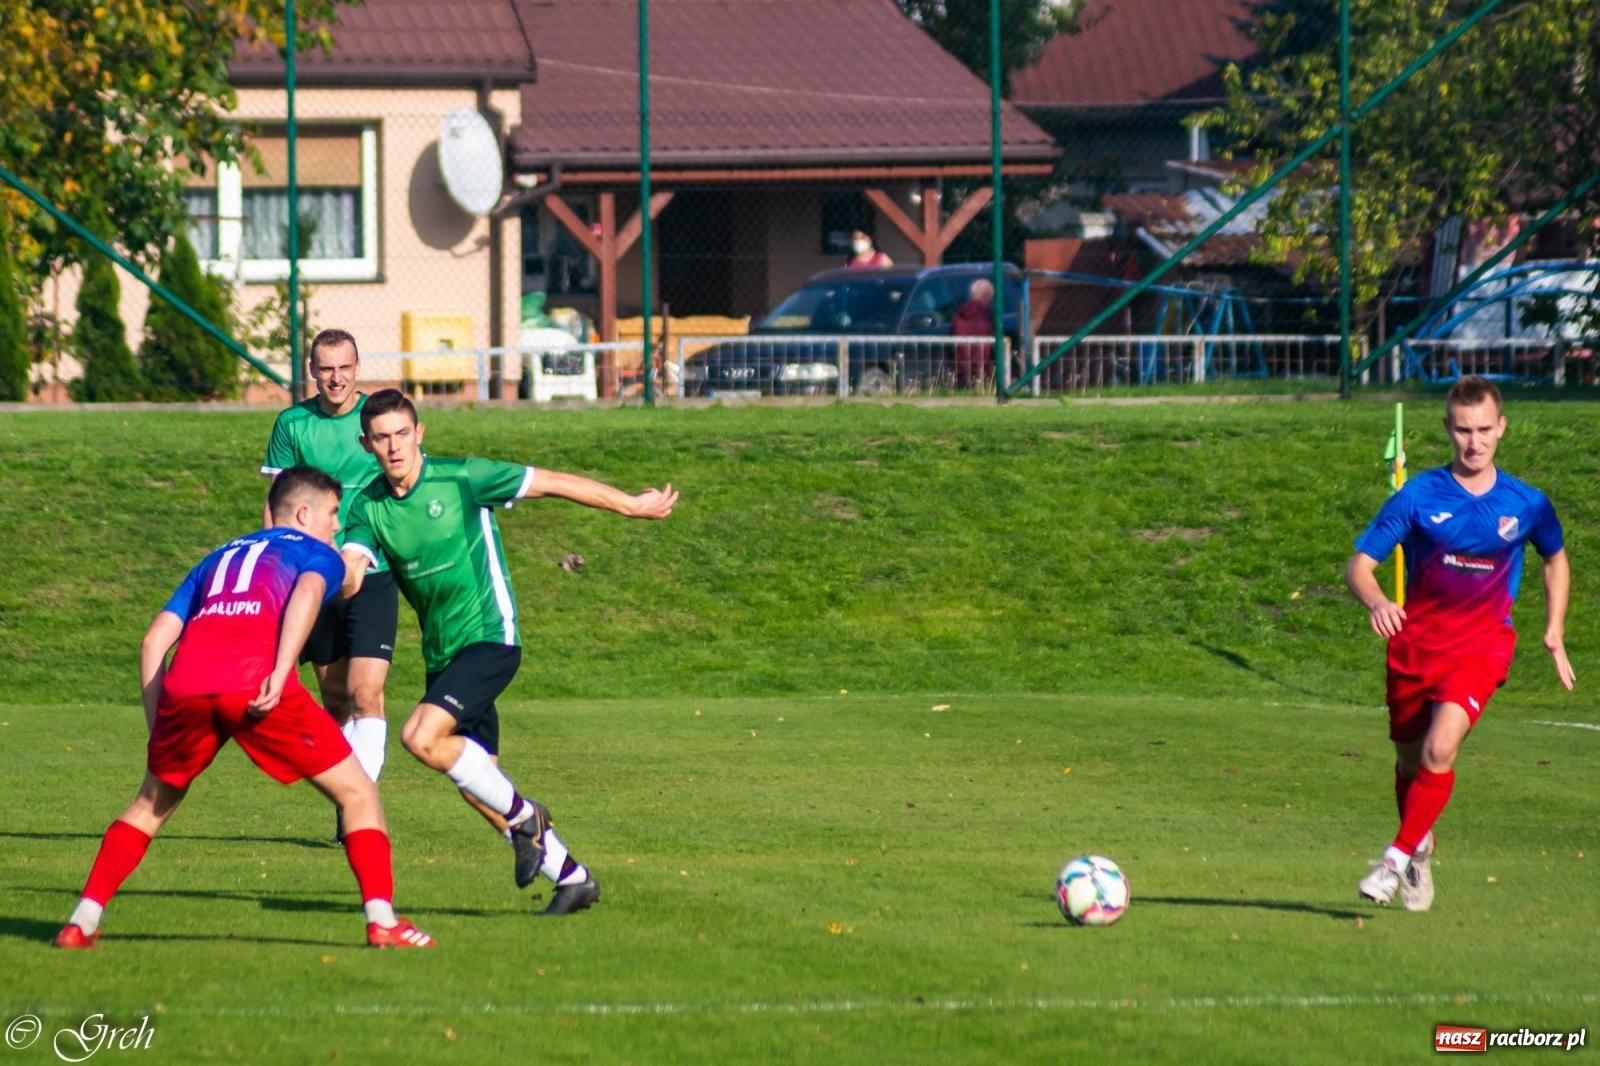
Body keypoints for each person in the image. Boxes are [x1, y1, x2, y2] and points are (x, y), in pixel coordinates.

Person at [55, 467, 434, 950]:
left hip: (186, 687)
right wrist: (280, 670)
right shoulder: (316, 552)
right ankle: (382, 921)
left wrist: (159, 726)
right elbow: (309, 592)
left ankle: (80, 922)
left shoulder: (215, 558)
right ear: (303, 513)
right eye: (333, 514)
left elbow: (153, 643)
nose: (336, 526)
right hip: (256, 685)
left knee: (152, 804)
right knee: (359, 793)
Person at [339, 389, 678, 916]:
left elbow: (553, 482)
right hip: (443, 653)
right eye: (381, 438)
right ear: (366, 444)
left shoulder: (463, 477)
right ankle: (574, 878)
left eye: (402, 433)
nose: (393, 446)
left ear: (419, 433)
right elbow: (354, 561)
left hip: (490, 637)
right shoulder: (368, 506)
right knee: (479, 784)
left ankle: (529, 818)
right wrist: (337, 577)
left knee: (418, 737)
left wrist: (630, 504)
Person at [1345, 375, 1574, 911]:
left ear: (1502, 428)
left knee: (1440, 748)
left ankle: (1393, 861)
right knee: (1409, 761)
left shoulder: (1527, 503)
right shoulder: (1420, 494)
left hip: (1481, 648)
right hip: (1414, 648)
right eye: (1464, 430)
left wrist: (1554, 627)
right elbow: (1360, 566)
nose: (1475, 442)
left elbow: (1555, 557)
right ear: (1448, 428)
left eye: (1485, 430)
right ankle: (1419, 845)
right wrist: (1379, 601)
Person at [261, 329, 397, 840]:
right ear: (312, 372)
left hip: (372, 571)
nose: (335, 378)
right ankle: (352, 793)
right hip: (313, 580)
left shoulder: (377, 422)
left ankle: (354, 810)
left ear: (357, 367)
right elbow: (276, 505)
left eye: (344, 367)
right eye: (325, 368)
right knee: (337, 701)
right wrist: (275, 570)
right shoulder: (292, 424)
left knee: (368, 694)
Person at [952, 278, 996, 388]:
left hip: (962, 370)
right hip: (983, 370)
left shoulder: (959, 316)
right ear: (988, 296)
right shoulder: (987, 317)